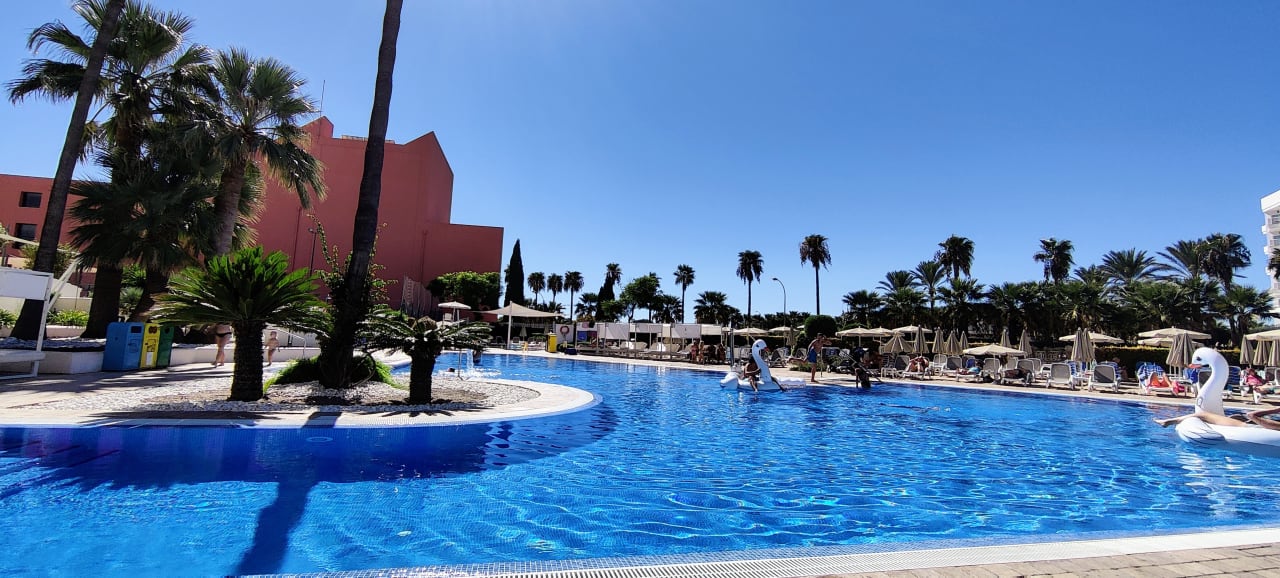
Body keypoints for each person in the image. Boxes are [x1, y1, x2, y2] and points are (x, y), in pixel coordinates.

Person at [1156, 406, 1280, 431]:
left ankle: (1169, 421)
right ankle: (1170, 421)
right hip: (1248, 424)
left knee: (1204, 414)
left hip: (1246, 428)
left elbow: (1251, 415)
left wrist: (1276, 410)